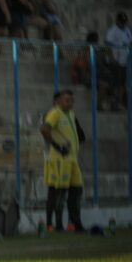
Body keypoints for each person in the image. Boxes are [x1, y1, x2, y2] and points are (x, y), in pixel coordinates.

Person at [40, 90, 85, 233]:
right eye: (67, 100)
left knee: (77, 189)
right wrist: (57, 145)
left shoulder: (71, 114)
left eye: (72, 100)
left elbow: (78, 134)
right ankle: (56, 224)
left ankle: (75, 222)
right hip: (59, 158)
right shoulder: (55, 113)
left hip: (72, 158)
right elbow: (44, 129)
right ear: (59, 101)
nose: (70, 103)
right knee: (58, 191)